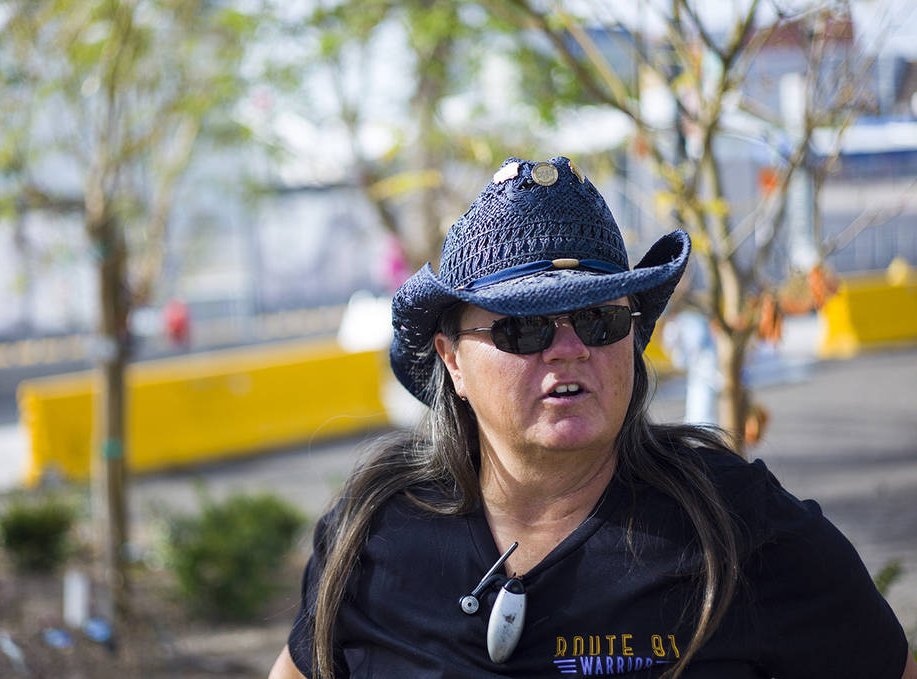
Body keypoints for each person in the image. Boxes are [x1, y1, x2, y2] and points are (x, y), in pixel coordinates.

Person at [269, 157, 917, 679]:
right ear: (453, 361)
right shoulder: (375, 533)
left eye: (599, 318)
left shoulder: (741, 527)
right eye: (523, 327)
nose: (570, 347)